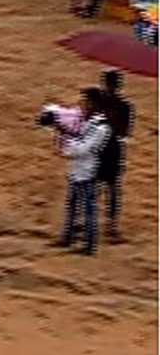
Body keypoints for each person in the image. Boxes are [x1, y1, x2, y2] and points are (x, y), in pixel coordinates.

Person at [53, 88, 112, 255]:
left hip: (88, 172)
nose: (83, 104)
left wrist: (66, 149)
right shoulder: (90, 123)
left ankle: (89, 245)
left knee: (88, 209)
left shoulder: (101, 128)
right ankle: (68, 237)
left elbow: (83, 149)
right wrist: (63, 132)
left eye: (86, 101)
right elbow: (78, 139)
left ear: (95, 104)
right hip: (79, 170)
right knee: (72, 206)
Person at [97, 71, 133, 243]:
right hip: (108, 148)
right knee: (108, 188)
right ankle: (108, 224)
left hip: (107, 148)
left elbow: (125, 132)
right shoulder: (123, 106)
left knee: (109, 188)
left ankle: (106, 224)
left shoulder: (121, 106)